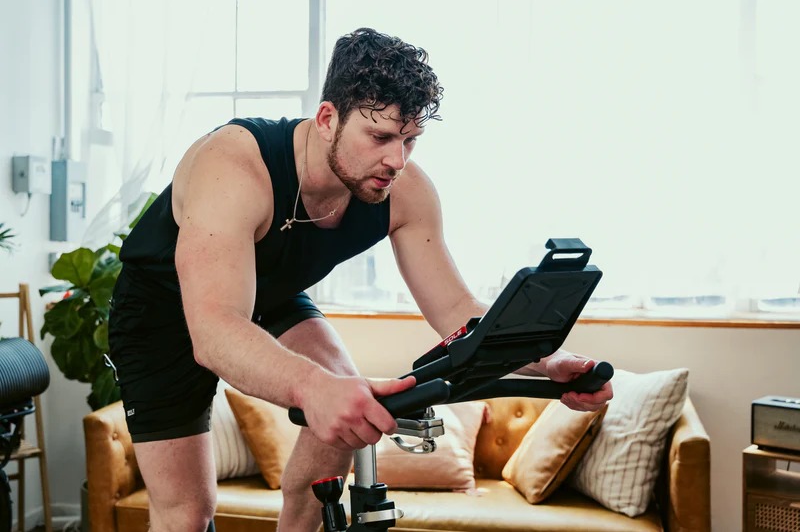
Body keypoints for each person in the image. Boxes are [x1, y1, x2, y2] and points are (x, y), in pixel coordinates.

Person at [108, 27, 613, 532]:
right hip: (163, 311)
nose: (397, 160)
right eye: (381, 137)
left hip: (271, 292)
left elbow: (457, 310)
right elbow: (215, 327)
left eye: (411, 140)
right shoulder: (235, 165)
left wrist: (548, 362)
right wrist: (311, 387)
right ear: (327, 119)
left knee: (343, 401)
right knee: (188, 515)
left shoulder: (405, 191)